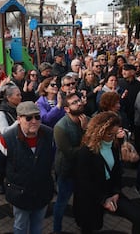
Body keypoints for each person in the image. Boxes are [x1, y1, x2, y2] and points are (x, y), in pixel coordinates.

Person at [73, 111, 140, 234]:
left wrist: (116, 192)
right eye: (109, 134)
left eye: (115, 134)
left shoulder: (113, 145)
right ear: (99, 132)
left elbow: (117, 172)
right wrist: (103, 200)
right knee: (89, 228)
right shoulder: (85, 152)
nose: (112, 138)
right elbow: (83, 183)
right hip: (90, 198)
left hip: (110, 191)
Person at [0, 101, 55, 234]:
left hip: (42, 191)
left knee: (37, 225)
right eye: (28, 118)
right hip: (20, 194)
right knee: (20, 226)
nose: (34, 121)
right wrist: (3, 186)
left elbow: (51, 160)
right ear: (19, 119)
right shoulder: (7, 139)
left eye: (37, 117)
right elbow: (1, 166)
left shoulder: (49, 134)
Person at [52, 93, 88, 234]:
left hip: (82, 170)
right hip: (66, 171)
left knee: (81, 199)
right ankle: (57, 229)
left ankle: (81, 222)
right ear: (67, 109)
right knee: (62, 202)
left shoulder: (84, 119)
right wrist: (85, 132)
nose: (79, 103)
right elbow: (71, 153)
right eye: (74, 103)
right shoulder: (60, 127)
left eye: (79, 101)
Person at [0, 84, 22, 193]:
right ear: (9, 98)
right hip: (5, 144)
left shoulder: (18, 107)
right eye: (18, 95)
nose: (21, 97)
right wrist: (18, 122)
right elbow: (4, 131)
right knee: (2, 165)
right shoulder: (1, 112)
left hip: (18, 141)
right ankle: (0, 183)